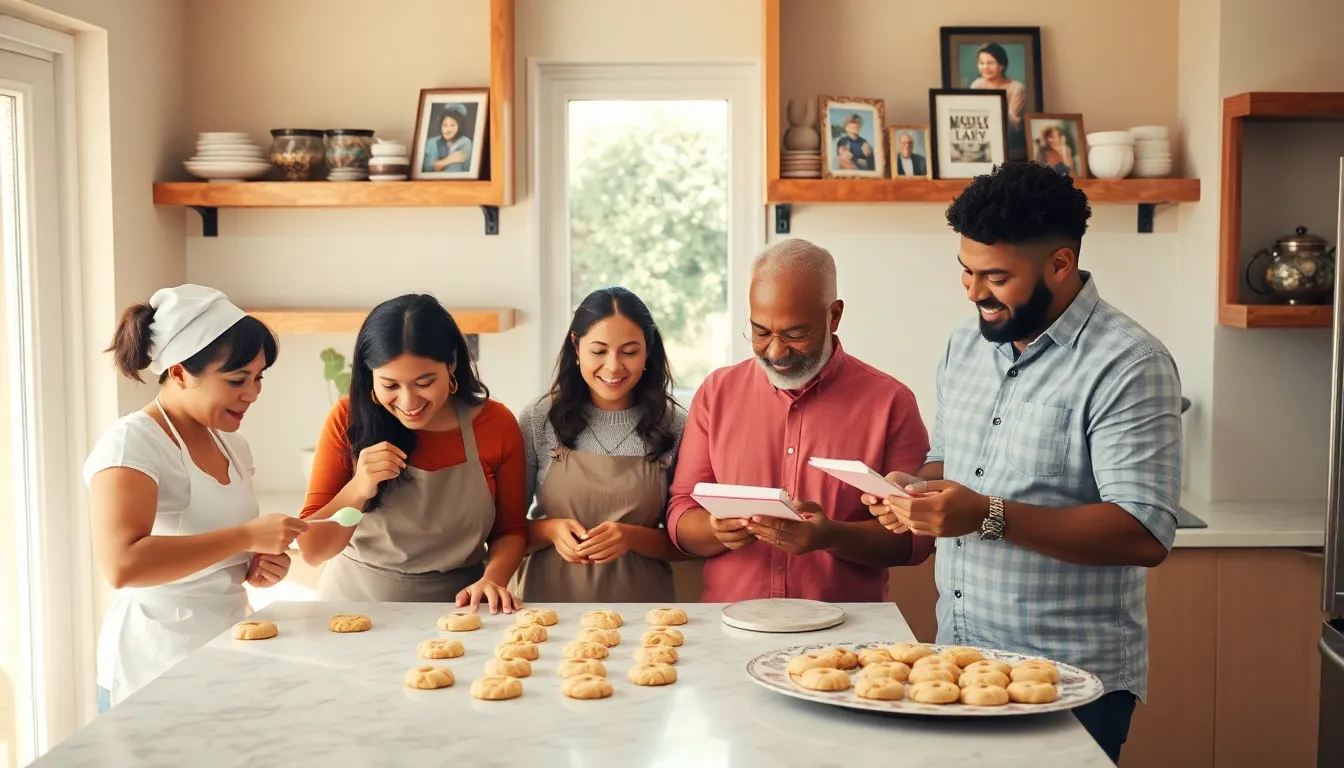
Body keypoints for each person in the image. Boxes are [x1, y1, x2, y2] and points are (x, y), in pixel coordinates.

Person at [866, 162, 1181, 764]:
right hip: (957, 664)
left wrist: (986, 516)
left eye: (995, 276)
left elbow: (1144, 531)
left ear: (1060, 265)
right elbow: (950, 460)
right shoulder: (966, 344)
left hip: (1067, 681)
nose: (973, 291)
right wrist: (913, 486)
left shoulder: (1129, 363)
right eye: (965, 270)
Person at [666, 238, 933, 602]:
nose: (775, 352)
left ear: (834, 315)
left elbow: (917, 540)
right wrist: (715, 530)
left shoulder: (891, 402)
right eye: (760, 332)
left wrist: (831, 536)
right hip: (729, 625)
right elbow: (681, 510)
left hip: (846, 632)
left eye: (795, 334)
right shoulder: (717, 392)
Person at [84, 284, 301, 711]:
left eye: (258, 378)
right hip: (153, 663)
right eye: (237, 380)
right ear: (181, 373)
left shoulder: (231, 446)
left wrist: (255, 563)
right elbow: (123, 565)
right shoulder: (133, 444)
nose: (253, 393)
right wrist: (245, 537)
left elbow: (214, 548)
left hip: (227, 648)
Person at [297, 294, 526, 613]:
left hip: (462, 609)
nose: (408, 401)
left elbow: (511, 532)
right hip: (352, 606)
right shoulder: (347, 420)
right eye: (390, 385)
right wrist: (359, 488)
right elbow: (312, 550)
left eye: (424, 382)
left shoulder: (496, 424)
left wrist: (494, 579)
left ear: (452, 365)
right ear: (369, 376)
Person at [511, 287, 688, 602]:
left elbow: (689, 545)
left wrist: (632, 537)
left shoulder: (675, 425)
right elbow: (505, 532)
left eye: (630, 352)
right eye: (599, 350)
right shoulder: (539, 419)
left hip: (644, 613)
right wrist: (550, 530)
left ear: (648, 351)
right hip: (548, 607)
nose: (613, 366)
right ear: (576, 347)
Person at [969, 43, 1029, 160]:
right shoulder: (977, 85)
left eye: (990, 63)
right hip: (983, 143)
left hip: (1010, 144)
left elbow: (1014, 123)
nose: (985, 67)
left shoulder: (1016, 88)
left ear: (1001, 65)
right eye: (982, 63)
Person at [421, 105, 473, 173]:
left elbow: (455, 169)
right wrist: (449, 160)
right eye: (445, 125)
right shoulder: (432, 142)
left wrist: (439, 164)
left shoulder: (465, 142)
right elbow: (428, 169)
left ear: (459, 126)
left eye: (452, 125)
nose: (448, 130)